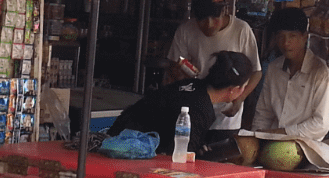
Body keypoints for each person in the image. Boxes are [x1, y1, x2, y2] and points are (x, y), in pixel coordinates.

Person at [107, 50, 253, 155]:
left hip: (118, 138)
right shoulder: (200, 110)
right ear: (233, 90)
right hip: (124, 150)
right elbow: (181, 157)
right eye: (244, 87)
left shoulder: (192, 86)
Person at [165, 0, 261, 140]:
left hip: (226, 119)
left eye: (215, 18)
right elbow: (174, 66)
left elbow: (256, 72)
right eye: (202, 20)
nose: (209, 24)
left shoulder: (241, 30)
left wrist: (240, 99)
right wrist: (181, 77)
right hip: (192, 116)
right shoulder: (186, 30)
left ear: (224, 12)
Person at [252, 7, 329, 141]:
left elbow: (320, 124)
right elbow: (264, 113)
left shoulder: (322, 75)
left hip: (304, 149)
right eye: (281, 36)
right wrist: (256, 139)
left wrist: (282, 133)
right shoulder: (274, 68)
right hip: (271, 145)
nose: (286, 43)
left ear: (304, 37)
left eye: (292, 36)